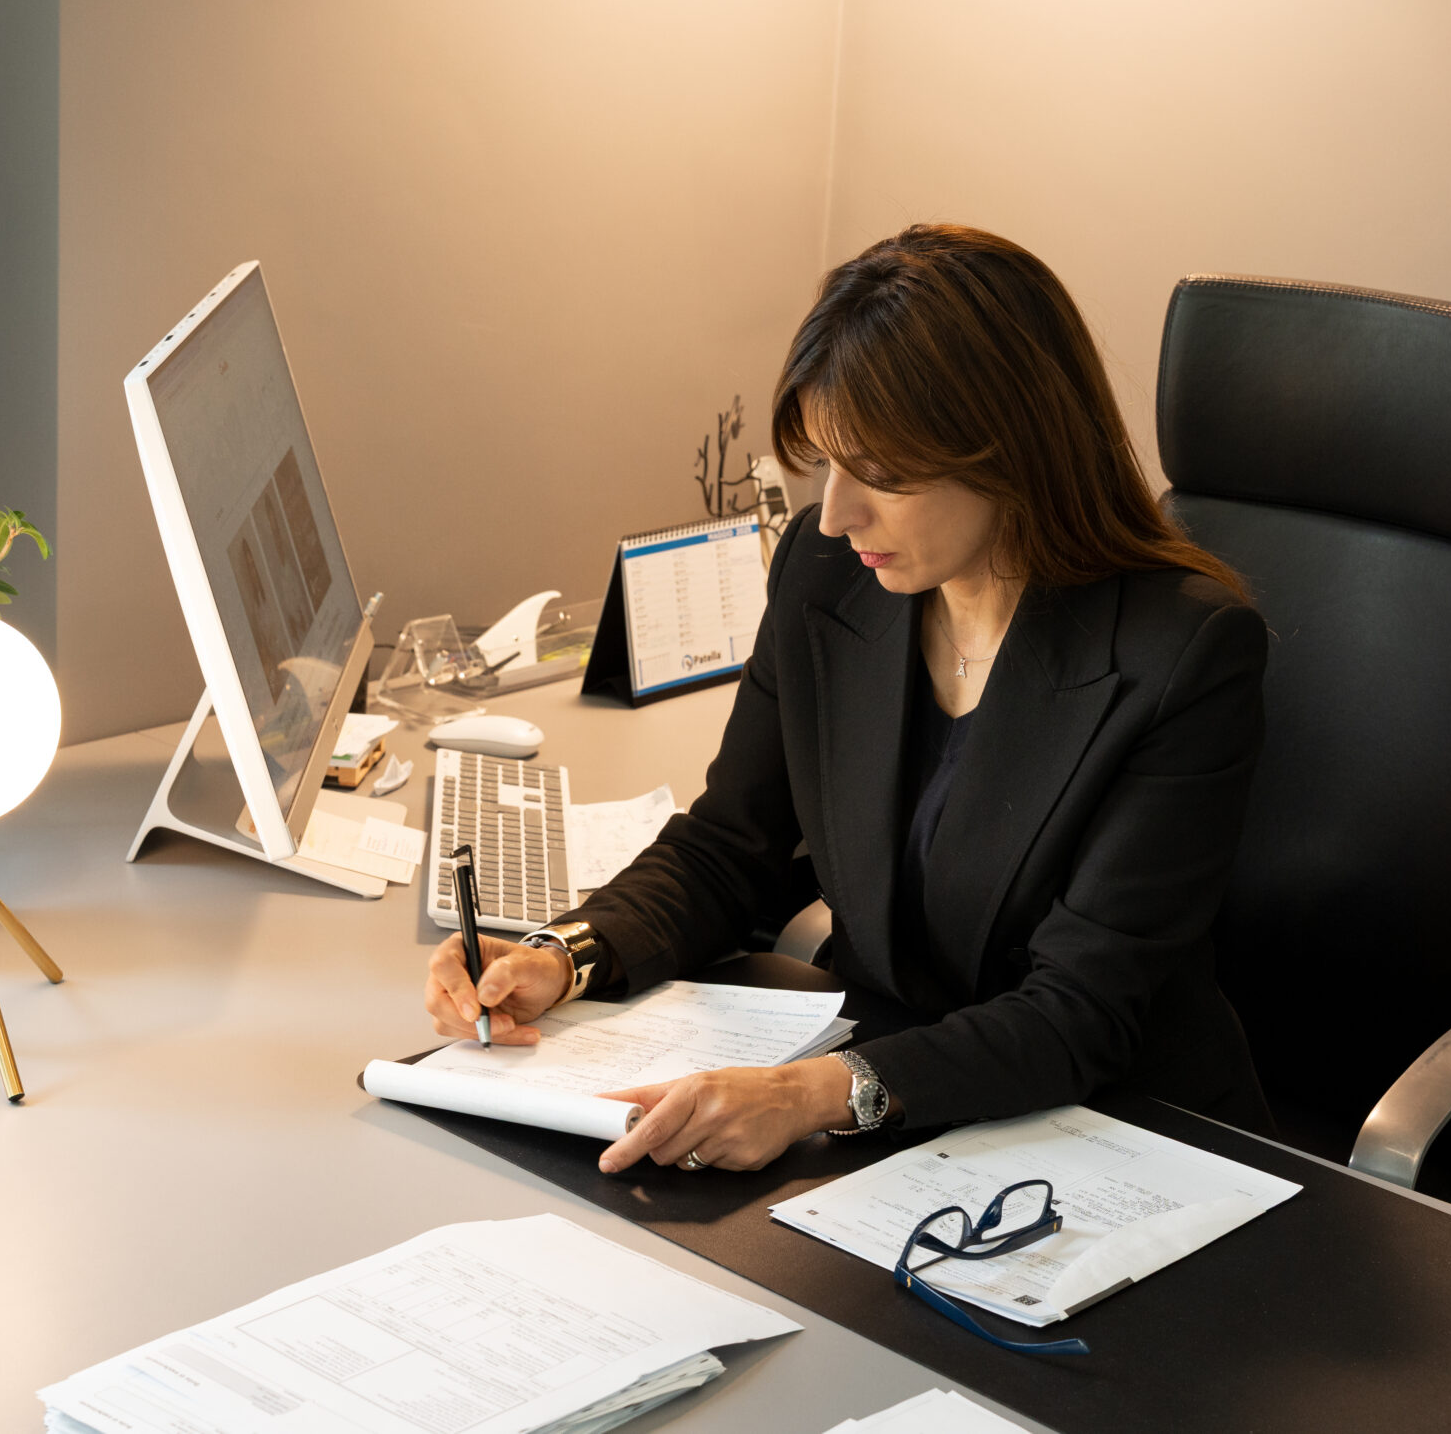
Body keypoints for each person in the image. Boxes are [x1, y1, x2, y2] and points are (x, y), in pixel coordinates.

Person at [423, 224, 1270, 1171]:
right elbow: (730, 847)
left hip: (1109, 1135)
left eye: (883, 474)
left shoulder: (1184, 654)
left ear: (1012, 451)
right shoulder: (829, 575)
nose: (834, 513)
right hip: (886, 1095)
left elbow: (1079, 1012)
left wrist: (809, 1093)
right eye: (828, 463)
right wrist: (562, 955)